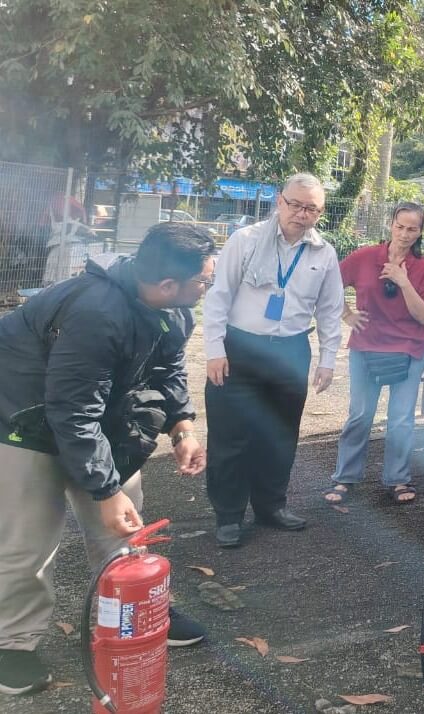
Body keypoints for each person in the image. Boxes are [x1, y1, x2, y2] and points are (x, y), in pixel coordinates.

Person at [0, 223, 216, 695]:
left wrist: (182, 426)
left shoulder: (173, 310)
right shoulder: (97, 312)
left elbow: (168, 367)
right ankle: (12, 644)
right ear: (166, 284)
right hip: (21, 416)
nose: (207, 288)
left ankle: (129, 606)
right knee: (28, 539)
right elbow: (71, 411)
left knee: (124, 525)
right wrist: (102, 487)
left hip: (90, 413)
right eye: (204, 281)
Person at [203, 173, 345, 548]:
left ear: (320, 213)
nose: (301, 213)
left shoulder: (324, 253)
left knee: (280, 436)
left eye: (311, 208)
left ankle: (270, 506)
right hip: (240, 349)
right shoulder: (245, 240)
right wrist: (214, 349)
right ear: (280, 201)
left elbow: (331, 310)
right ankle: (229, 516)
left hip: (290, 352)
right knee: (230, 437)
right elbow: (219, 296)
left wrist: (328, 360)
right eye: (295, 204)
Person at [324, 202, 424, 505]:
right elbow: (328, 284)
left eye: (412, 229)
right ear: (391, 225)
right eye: (400, 226)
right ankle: (345, 477)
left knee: (400, 419)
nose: (404, 233)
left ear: (420, 232)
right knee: (360, 415)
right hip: (366, 346)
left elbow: (423, 316)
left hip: (409, 349)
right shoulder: (365, 257)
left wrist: (403, 282)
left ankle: (398, 479)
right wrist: (347, 314)